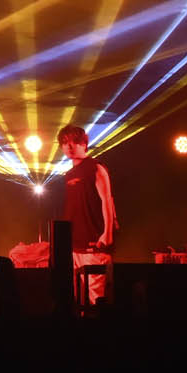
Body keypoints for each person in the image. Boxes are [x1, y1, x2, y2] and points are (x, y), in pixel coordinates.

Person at [58, 124, 117, 303]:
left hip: (95, 242)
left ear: (84, 144)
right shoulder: (68, 175)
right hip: (74, 244)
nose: (69, 146)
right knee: (77, 297)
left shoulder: (95, 167)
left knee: (96, 296)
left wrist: (107, 233)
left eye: (74, 142)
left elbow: (107, 200)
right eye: (65, 142)